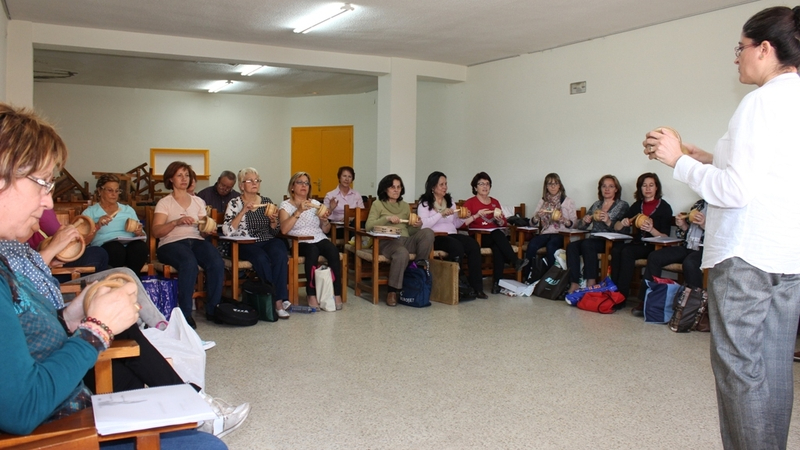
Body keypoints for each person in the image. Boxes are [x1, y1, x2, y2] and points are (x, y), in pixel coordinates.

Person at [0, 103, 229, 448]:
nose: (49, 202)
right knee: (206, 446)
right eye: (42, 183)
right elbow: (21, 408)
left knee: (147, 261)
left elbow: (29, 335)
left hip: (67, 391)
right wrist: (97, 329)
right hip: (63, 426)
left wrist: (72, 316)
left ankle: (187, 391)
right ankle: (187, 391)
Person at [643, 7, 800, 448]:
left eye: (742, 48)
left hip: (746, 256)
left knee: (740, 372)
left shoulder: (760, 101)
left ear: (765, 49)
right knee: (772, 369)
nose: (737, 58)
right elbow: (773, 174)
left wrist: (679, 161)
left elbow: (734, 192)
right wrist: (707, 158)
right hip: (788, 255)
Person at [152, 161, 224, 328]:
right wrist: (176, 222)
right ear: (171, 179)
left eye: (187, 175)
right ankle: (184, 314)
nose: (184, 179)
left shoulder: (198, 201)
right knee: (188, 263)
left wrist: (208, 230)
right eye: (179, 175)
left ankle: (213, 309)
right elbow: (156, 231)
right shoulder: (165, 203)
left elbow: (202, 229)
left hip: (196, 240)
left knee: (216, 262)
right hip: (170, 243)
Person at [223, 167, 290, 319]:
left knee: (280, 253)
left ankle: (278, 298)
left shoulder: (267, 202)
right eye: (250, 181)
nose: (254, 183)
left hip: (266, 240)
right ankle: (275, 300)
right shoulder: (234, 203)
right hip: (245, 242)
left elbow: (274, 231)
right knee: (261, 259)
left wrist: (273, 222)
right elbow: (227, 231)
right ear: (241, 185)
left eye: (257, 181)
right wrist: (242, 212)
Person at [365, 174, 435, 306]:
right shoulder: (378, 204)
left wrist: (417, 226)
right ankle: (393, 291)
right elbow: (368, 226)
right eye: (393, 187)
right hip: (386, 241)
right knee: (401, 253)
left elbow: (409, 231)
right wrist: (387, 219)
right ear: (385, 189)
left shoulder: (404, 206)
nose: (396, 190)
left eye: (399, 187)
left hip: (405, 239)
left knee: (428, 233)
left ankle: (417, 270)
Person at [279, 172, 343, 310]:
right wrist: (299, 211)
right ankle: (311, 293)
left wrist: (324, 221)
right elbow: (284, 230)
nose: (304, 185)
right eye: (300, 182)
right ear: (292, 187)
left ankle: (336, 292)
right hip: (299, 240)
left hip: (318, 237)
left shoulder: (315, 204)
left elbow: (325, 230)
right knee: (312, 252)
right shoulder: (286, 205)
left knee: (333, 251)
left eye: (306, 183)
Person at [417, 171, 486, 299]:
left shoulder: (450, 201)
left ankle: (477, 287)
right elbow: (423, 225)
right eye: (441, 184)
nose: (445, 187)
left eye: (446, 184)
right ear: (433, 187)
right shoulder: (425, 203)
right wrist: (440, 214)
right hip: (435, 236)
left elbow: (456, 224)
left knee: (473, 245)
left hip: (452, 233)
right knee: (456, 247)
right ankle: (457, 283)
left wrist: (464, 217)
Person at [633, 199, 706, 316]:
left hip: (705, 249)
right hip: (688, 246)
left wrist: (704, 225)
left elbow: (723, 235)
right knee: (655, 256)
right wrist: (683, 225)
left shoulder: (721, 208)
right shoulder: (699, 204)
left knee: (690, 263)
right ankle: (646, 300)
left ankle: (694, 309)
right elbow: (687, 233)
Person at [609, 173, 672, 303]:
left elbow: (666, 237)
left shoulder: (664, 207)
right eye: (644, 185)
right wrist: (624, 222)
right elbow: (616, 226)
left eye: (651, 185)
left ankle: (621, 296)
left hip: (653, 247)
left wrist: (651, 230)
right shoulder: (637, 205)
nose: (648, 188)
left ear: (656, 188)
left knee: (627, 252)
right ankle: (613, 290)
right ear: (640, 188)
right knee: (616, 250)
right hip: (638, 244)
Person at [463, 172, 528, 294]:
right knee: (498, 235)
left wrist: (499, 221)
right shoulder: (470, 202)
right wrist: (477, 215)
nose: (485, 186)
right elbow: (462, 223)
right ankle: (514, 260)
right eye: (481, 184)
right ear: (475, 187)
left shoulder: (495, 202)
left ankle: (497, 284)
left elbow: (503, 223)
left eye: (487, 184)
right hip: (479, 236)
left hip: (494, 235)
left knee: (498, 247)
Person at [566, 175, 629, 294]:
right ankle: (574, 283)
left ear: (616, 189)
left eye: (611, 186)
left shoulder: (622, 205)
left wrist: (608, 221)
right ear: (600, 189)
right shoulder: (597, 205)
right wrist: (585, 221)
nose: (607, 189)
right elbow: (580, 226)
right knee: (572, 246)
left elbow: (624, 230)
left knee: (587, 244)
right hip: (594, 239)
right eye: (604, 186)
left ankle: (591, 282)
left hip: (611, 241)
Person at [81, 174, 149, 273]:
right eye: (110, 190)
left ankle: (131, 278)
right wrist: (97, 225)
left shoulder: (128, 210)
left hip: (129, 246)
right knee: (116, 249)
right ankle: (119, 280)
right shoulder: (90, 212)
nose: (114, 194)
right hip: (107, 248)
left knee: (140, 247)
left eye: (117, 191)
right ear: (100, 191)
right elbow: (84, 241)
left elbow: (142, 235)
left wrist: (139, 232)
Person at [28, 208, 109, 281]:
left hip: (45, 261)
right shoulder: (42, 207)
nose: (49, 202)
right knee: (99, 253)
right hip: (46, 268)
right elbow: (55, 232)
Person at [524, 173, 577, 273]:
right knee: (532, 244)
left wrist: (564, 220)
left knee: (551, 246)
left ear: (559, 185)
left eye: (555, 183)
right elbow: (532, 223)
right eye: (550, 184)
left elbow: (574, 224)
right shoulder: (543, 201)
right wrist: (537, 216)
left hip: (561, 233)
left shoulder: (568, 201)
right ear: (546, 187)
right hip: (546, 232)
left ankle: (550, 277)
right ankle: (528, 275)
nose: (553, 186)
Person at [323, 166, 365, 230]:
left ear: (352, 179)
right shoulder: (330, 195)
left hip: (353, 225)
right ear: (339, 177)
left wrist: (350, 218)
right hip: (337, 228)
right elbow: (323, 217)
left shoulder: (356, 195)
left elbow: (362, 214)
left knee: (357, 226)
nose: (347, 179)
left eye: (349, 176)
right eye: (344, 176)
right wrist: (331, 209)